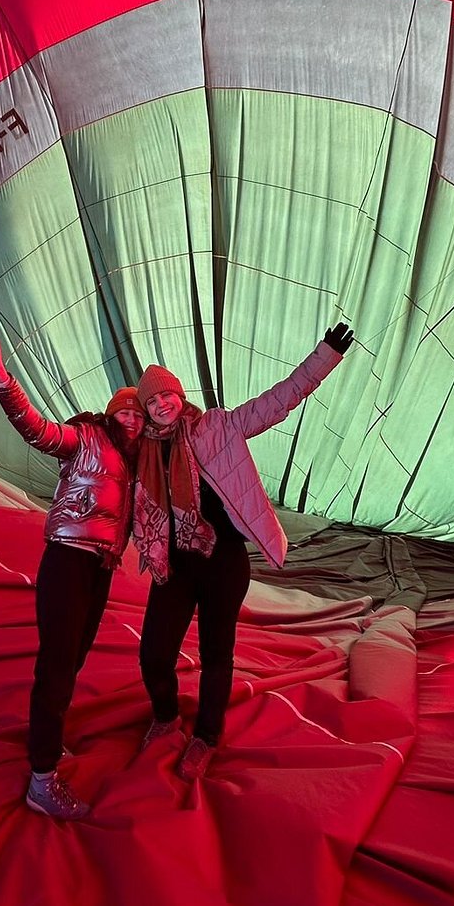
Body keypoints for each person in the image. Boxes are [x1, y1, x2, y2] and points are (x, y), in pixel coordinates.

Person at [132, 322, 356, 780]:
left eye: (165, 396)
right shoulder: (144, 451)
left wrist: (325, 356)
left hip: (223, 560)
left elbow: (278, 400)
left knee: (218, 653)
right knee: (154, 654)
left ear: (179, 394)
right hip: (175, 564)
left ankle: (207, 736)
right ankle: (167, 715)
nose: (160, 406)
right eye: (151, 402)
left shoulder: (218, 426)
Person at [0, 341, 145, 820]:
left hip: (99, 566)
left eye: (139, 416)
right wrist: (6, 385)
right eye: (126, 412)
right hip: (68, 560)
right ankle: (42, 777)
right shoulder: (87, 437)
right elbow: (38, 431)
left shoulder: (133, 460)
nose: (133, 420)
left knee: (73, 658)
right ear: (112, 414)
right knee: (56, 663)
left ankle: (47, 741)